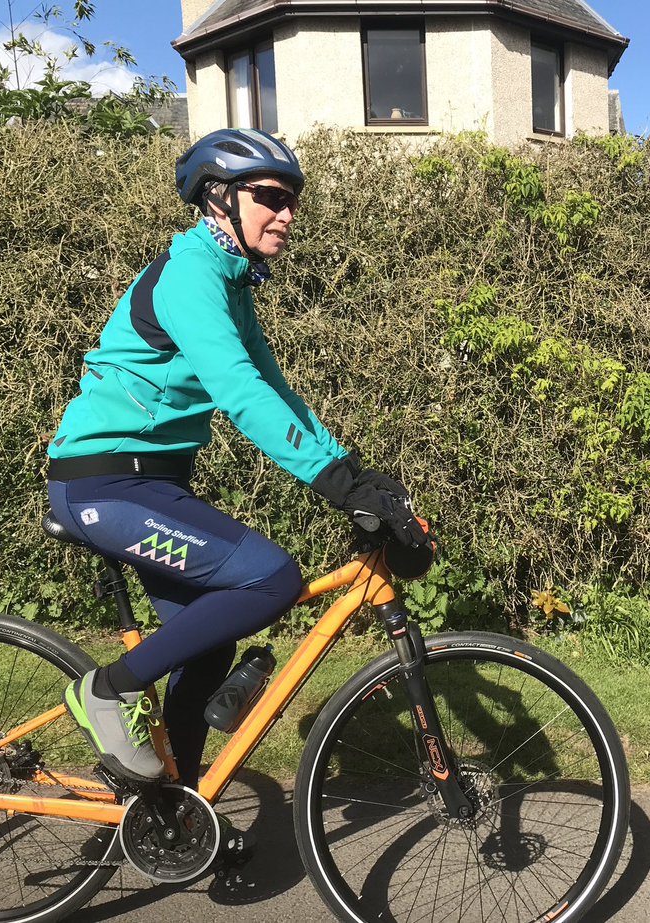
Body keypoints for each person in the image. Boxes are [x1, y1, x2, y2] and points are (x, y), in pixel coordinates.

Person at [46, 128, 427, 787]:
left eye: (293, 201)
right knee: (271, 578)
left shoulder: (230, 282)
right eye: (272, 196)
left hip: (150, 485)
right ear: (219, 197)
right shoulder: (191, 274)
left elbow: (277, 389)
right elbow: (239, 391)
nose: (287, 214)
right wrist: (338, 485)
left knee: (210, 644)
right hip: (104, 484)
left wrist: (356, 475)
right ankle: (106, 692)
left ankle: (176, 809)